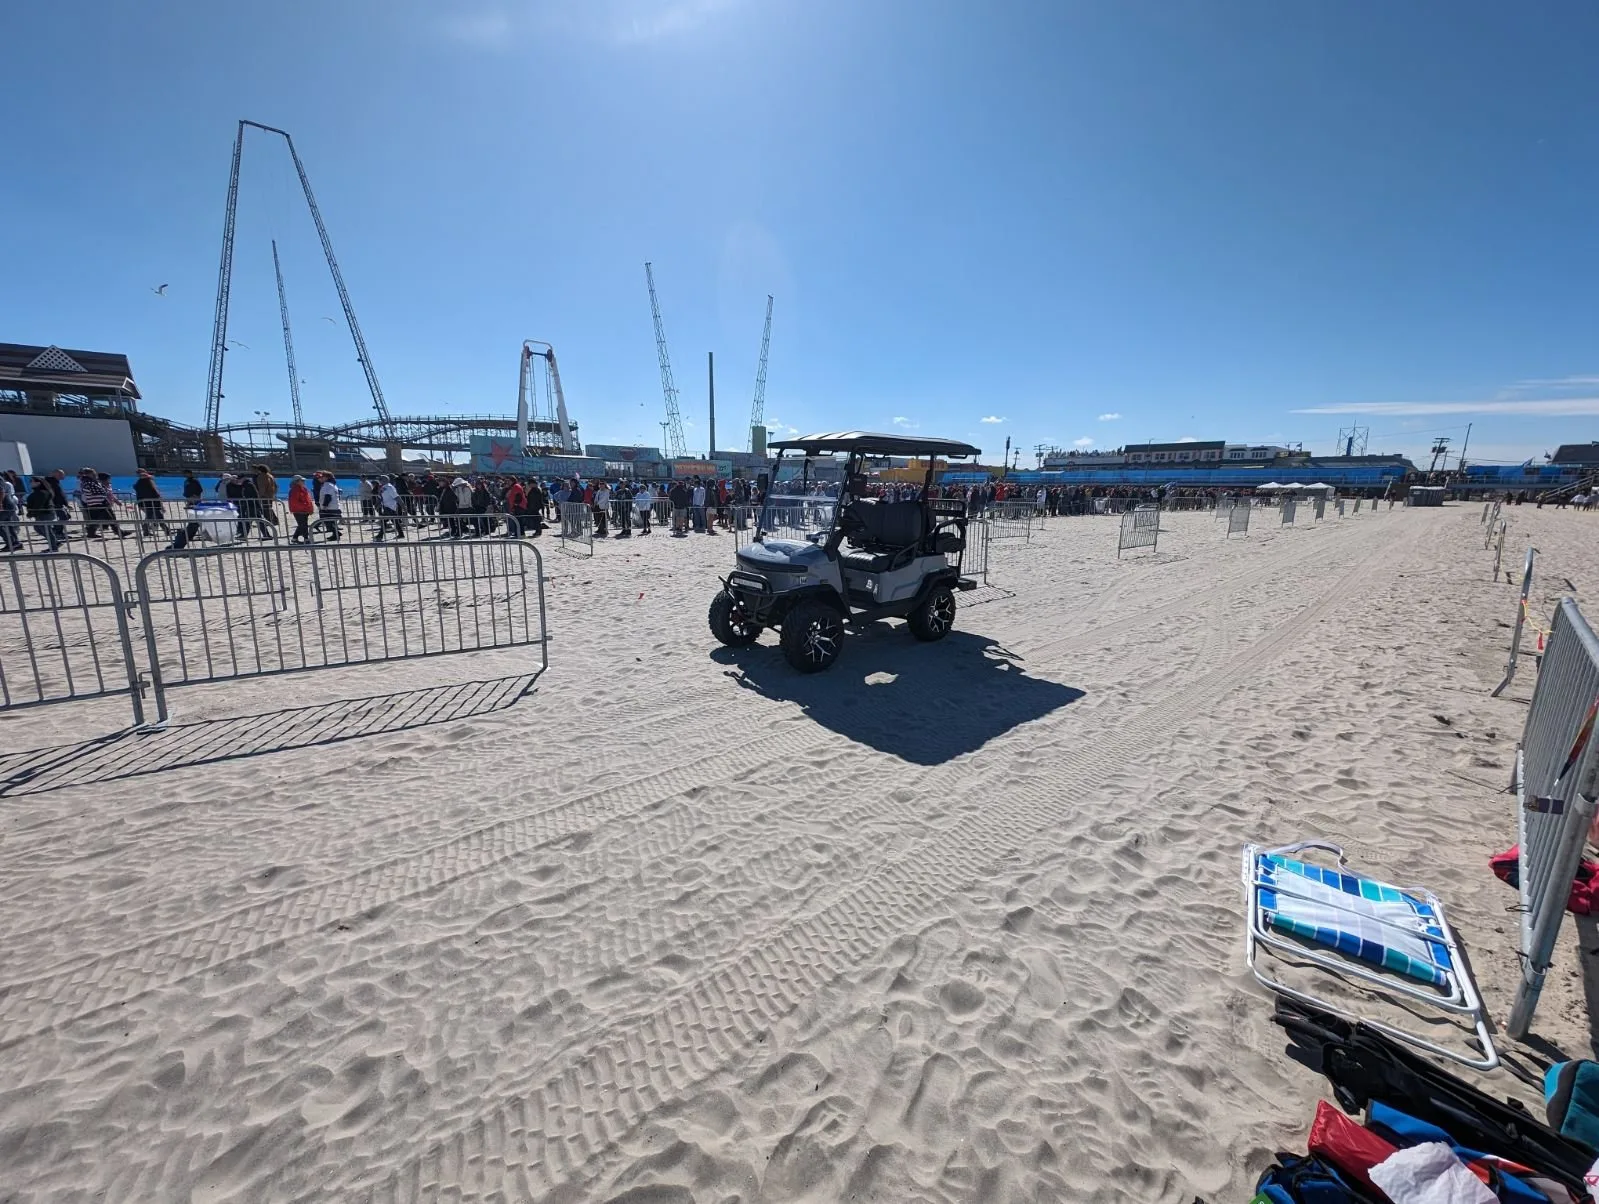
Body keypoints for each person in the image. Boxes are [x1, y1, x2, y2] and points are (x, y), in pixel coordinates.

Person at [78, 466, 126, 538]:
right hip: (97, 504)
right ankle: (119, 532)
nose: (95, 474)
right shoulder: (88, 482)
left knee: (97, 519)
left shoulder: (91, 482)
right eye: (93, 473)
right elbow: (99, 491)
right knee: (110, 518)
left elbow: (103, 490)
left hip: (98, 503)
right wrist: (104, 490)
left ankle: (91, 533)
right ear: (89, 474)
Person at [25, 478, 62, 550]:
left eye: (32, 481)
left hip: (45, 514)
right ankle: (55, 542)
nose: (30, 483)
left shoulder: (42, 492)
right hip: (42, 513)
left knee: (46, 530)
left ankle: (53, 547)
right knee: (38, 528)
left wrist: (31, 513)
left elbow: (39, 504)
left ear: (38, 483)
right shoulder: (39, 492)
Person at [132, 470, 167, 536]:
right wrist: (160, 502)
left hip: (144, 503)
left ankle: (147, 530)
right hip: (153, 502)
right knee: (157, 516)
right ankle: (165, 530)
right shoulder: (148, 483)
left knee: (152, 516)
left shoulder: (138, 484)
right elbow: (155, 493)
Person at [253, 463, 279, 537]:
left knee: (265, 509)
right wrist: (273, 494)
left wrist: (259, 495)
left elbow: (262, 487)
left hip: (264, 495)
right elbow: (276, 486)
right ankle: (274, 520)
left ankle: (270, 521)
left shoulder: (261, 477)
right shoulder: (270, 476)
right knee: (268, 508)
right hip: (270, 495)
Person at [287, 475, 315, 542]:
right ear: (296, 482)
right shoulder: (295, 490)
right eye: (302, 480)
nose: (304, 481)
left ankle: (295, 538)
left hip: (304, 510)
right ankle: (306, 538)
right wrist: (306, 508)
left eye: (303, 480)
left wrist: (310, 508)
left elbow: (308, 499)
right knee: (303, 525)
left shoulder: (303, 489)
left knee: (302, 525)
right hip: (299, 510)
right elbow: (295, 502)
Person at [376, 476, 405, 540]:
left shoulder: (389, 487)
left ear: (385, 480)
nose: (379, 481)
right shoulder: (383, 487)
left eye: (380, 479)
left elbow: (397, 497)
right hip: (387, 506)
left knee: (384, 521)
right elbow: (381, 497)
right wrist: (379, 503)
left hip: (390, 507)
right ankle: (401, 534)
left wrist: (403, 505)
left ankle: (380, 535)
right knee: (394, 521)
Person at [316, 472, 343, 541]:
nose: (321, 478)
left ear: (327, 477)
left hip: (329, 508)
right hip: (334, 507)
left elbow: (328, 497)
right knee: (331, 523)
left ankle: (336, 533)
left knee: (327, 522)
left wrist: (324, 506)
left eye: (323, 476)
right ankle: (335, 534)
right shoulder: (333, 485)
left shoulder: (327, 485)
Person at [0, 474, 21, 551]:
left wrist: (0, 504)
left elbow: (1, 491)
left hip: (5, 505)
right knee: (8, 525)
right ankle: (15, 543)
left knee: (3, 525)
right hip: (7, 505)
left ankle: (11, 542)